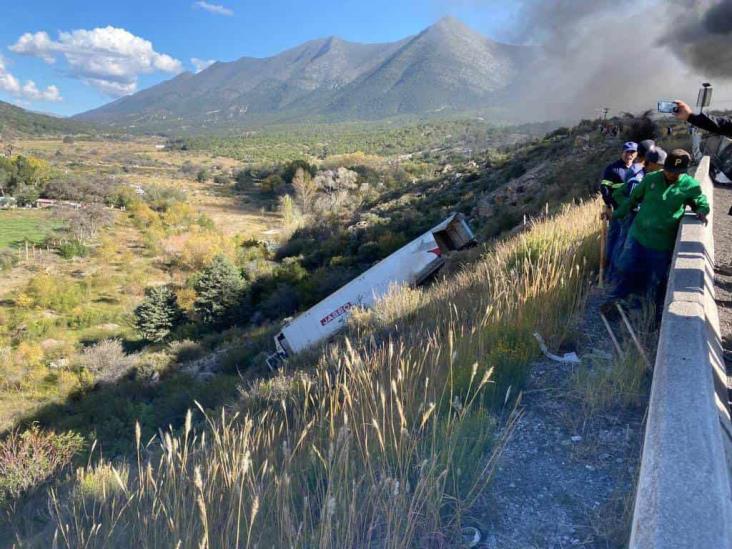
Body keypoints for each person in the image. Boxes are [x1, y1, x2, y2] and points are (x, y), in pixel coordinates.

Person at [603, 148, 709, 316]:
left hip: (662, 244)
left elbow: (700, 201)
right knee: (627, 270)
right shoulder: (651, 179)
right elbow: (631, 201)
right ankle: (615, 303)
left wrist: (702, 210)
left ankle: (648, 313)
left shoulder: (690, 186)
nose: (671, 175)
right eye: (669, 171)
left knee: (654, 280)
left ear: (684, 171)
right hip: (638, 236)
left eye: (676, 173)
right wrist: (615, 215)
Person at [600, 142, 638, 280]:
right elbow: (604, 189)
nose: (630, 155)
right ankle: (609, 269)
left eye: (632, 152)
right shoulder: (612, 169)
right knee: (616, 238)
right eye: (627, 152)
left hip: (631, 211)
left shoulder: (636, 169)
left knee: (624, 240)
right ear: (622, 152)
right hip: (618, 211)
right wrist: (610, 205)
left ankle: (618, 270)